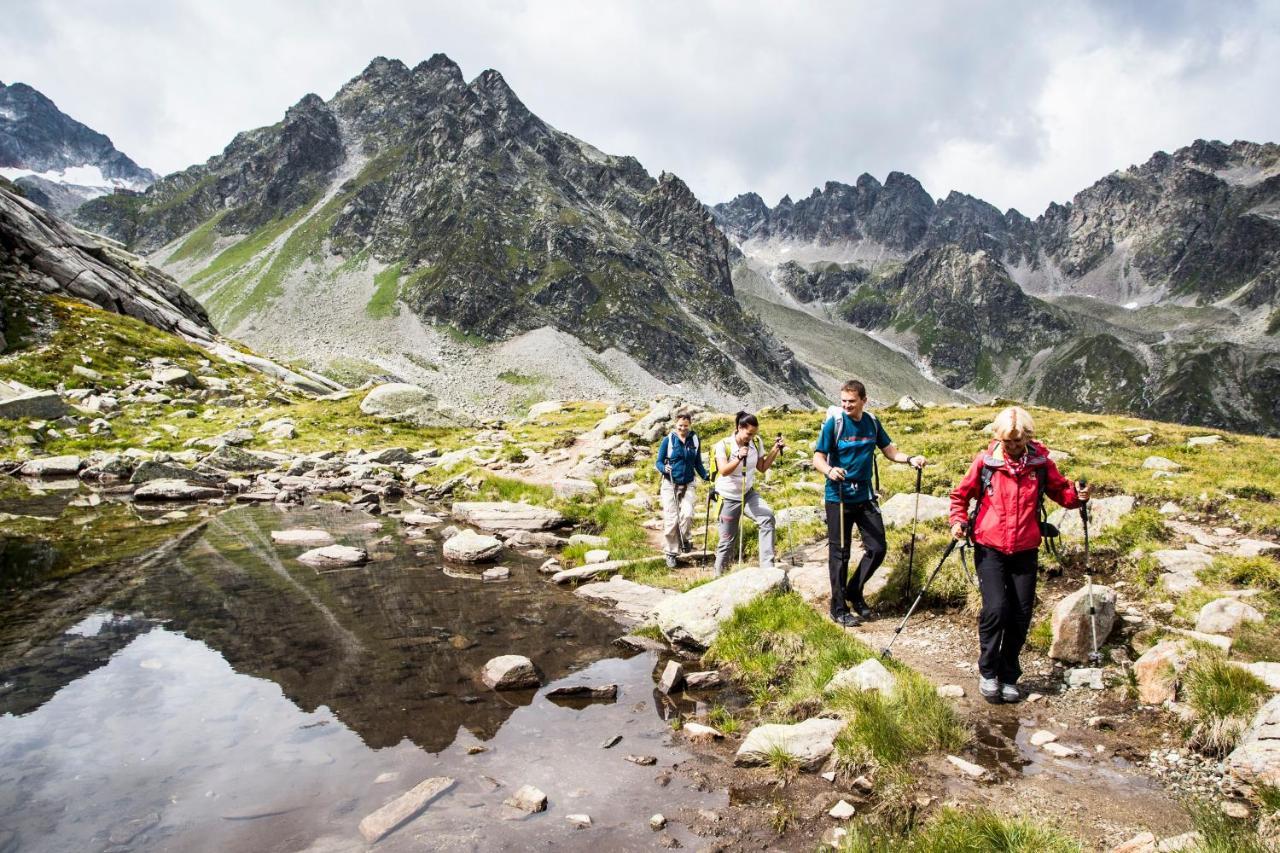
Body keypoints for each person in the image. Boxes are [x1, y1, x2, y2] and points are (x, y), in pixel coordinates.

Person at [948, 405, 1089, 704]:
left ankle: (1009, 675)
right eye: (1007, 441)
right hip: (990, 546)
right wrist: (958, 521)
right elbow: (960, 495)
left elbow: (1062, 493)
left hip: (1026, 548)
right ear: (998, 437)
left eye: (1017, 441)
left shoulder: (1040, 464)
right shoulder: (985, 463)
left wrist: (1077, 496)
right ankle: (988, 671)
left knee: (1021, 614)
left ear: (1028, 437)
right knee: (996, 609)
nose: (1011, 447)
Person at [813, 380, 926, 627]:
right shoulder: (835, 423)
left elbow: (890, 451)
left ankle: (854, 590)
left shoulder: (872, 422)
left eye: (851, 402)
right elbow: (818, 458)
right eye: (843, 401)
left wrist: (910, 459)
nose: (846, 405)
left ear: (864, 400)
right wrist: (829, 470)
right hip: (838, 497)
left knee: (878, 548)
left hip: (864, 497)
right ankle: (838, 607)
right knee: (840, 554)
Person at [712, 411, 784, 576]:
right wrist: (737, 457)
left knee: (767, 518)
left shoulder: (756, 442)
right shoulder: (723, 445)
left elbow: (762, 467)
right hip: (728, 498)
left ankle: (767, 569)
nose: (751, 437)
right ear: (739, 428)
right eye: (748, 434)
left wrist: (775, 449)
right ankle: (718, 577)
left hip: (748, 493)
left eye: (754, 434)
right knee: (727, 542)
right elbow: (723, 471)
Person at [654, 411, 711, 568]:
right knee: (672, 519)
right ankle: (671, 552)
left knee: (687, 514)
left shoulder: (694, 440)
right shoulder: (668, 440)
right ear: (675, 425)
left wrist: (706, 476)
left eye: (686, 426)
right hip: (669, 483)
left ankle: (685, 538)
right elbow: (658, 462)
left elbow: (697, 463)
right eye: (680, 426)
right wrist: (664, 468)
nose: (683, 429)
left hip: (689, 482)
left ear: (690, 425)